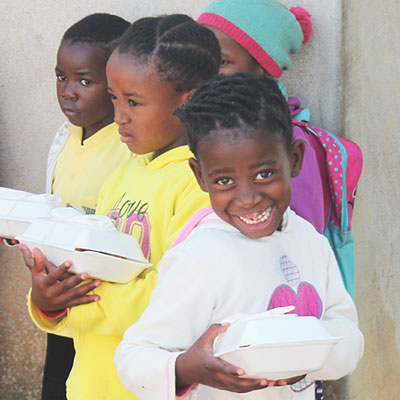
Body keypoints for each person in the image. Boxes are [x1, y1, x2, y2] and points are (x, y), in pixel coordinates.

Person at [114, 73, 364, 399]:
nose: (247, 198)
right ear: (200, 177)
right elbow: (134, 356)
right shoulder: (200, 259)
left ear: (295, 160)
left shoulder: (310, 240)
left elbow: (349, 336)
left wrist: (310, 352)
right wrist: (185, 368)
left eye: (264, 174)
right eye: (224, 181)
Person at [20, 14, 221, 400]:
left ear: (188, 100)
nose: (118, 116)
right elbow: (94, 274)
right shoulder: (125, 174)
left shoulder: (199, 187)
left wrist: (75, 304)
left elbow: (173, 301)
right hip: (90, 385)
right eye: (114, 98)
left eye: (133, 102)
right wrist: (49, 300)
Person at [33, 13, 132, 400]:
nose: (68, 91)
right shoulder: (65, 135)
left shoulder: (127, 146)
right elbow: (52, 202)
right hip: (59, 303)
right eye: (61, 77)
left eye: (85, 81)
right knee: (56, 384)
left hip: (102, 305)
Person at [197, 0, 326, 234]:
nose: (205, 72)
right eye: (200, 59)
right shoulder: (206, 128)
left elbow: (306, 234)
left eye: (223, 62)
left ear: (266, 68)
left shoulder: (285, 139)